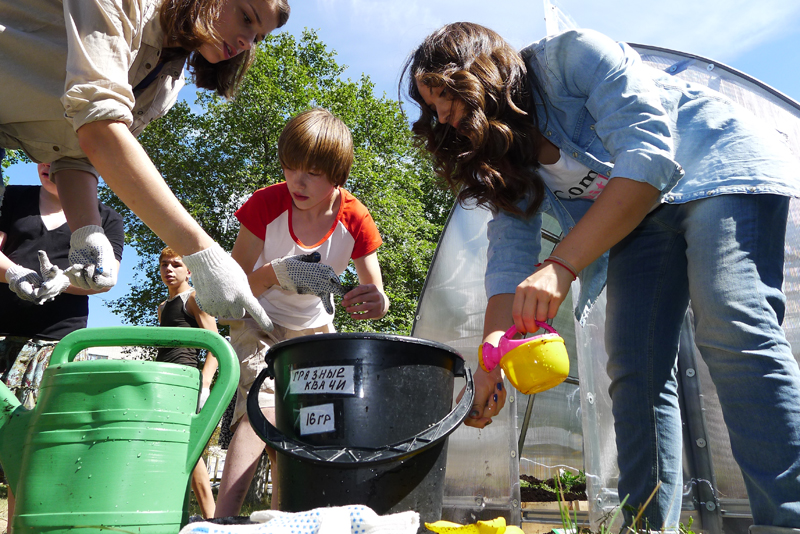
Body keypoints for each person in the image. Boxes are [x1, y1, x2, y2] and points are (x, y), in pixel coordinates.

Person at [403, 23, 800, 533]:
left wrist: (562, 264)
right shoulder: (505, 153)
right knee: (635, 366)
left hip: (717, 167)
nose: (441, 117)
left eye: (443, 96)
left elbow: (651, 155)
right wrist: (489, 365)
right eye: (431, 107)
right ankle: (644, 524)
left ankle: (787, 518)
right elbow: (508, 257)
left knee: (731, 318)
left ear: (477, 70)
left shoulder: (572, 57)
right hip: (644, 216)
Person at [0, 0, 289, 332]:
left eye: (257, 37)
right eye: (246, 17)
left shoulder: (167, 83)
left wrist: (87, 229)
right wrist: (202, 253)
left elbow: (76, 153)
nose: (246, 43)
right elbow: (99, 125)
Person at [214, 108, 389, 517]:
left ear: (338, 176)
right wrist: (276, 272)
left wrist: (376, 301)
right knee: (263, 404)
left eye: (311, 172)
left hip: (313, 326)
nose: (297, 181)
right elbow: (233, 294)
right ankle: (221, 518)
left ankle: (287, 516)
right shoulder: (264, 205)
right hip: (257, 319)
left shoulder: (355, 218)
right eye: (291, 167)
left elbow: (377, 295)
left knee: (307, 422)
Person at [0, 162, 124, 527]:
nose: (49, 164)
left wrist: (63, 280)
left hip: (59, 348)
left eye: (61, 153)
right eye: (43, 153)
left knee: (36, 454)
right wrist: (16, 274)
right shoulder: (11, 197)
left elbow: (106, 278)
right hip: (3, 337)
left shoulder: (106, 218)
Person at [156, 246, 220, 519]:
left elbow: (216, 347)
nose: (169, 270)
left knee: (189, 452)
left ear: (189, 270)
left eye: (176, 264)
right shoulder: (163, 307)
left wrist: (204, 385)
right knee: (168, 450)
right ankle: (175, 515)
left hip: (186, 382)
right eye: (164, 265)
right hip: (162, 382)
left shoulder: (194, 298)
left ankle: (214, 521)